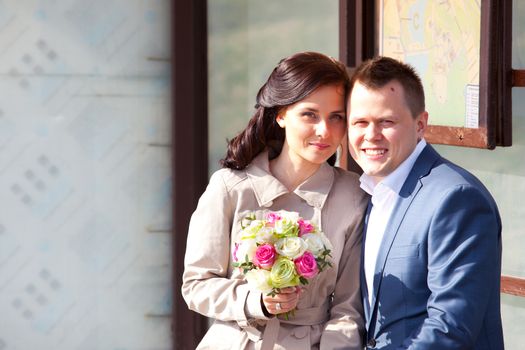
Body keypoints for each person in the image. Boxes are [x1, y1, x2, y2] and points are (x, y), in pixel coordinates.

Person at [182, 52, 367, 350]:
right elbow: (196, 285)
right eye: (310, 114)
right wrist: (255, 301)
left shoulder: (353, 197)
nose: (325, 131)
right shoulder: (230, 187)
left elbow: (349, 309)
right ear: (280, 114)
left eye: (337, 117)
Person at [346, 56, 504, 349]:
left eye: (386, 122)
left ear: (421, 125)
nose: (370, 135)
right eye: (360, 122)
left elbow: (451, 326)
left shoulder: (457, 198)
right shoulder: (369, 194)